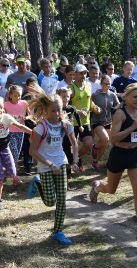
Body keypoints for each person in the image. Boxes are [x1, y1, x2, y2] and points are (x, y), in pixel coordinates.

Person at [88, 83, 137, 241]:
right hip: (119, 154)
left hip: (134, 154)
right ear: (126, 96)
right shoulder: (120, 113)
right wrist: (132, 127)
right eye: (135, 96)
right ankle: (98, 187)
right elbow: (113, 138)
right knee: (111, 189)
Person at [28, 88, 81, 245]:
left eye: (59, 109)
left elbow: (74, 143)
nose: (57, 113)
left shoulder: (65, 125)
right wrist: (49, 164)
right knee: (50, 202)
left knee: (62, 200)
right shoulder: (41, 127)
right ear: (45, 110)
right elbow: (32, 151)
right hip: (45, 166)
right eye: (53, 110)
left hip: (61, 163)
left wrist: (75, 160)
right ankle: (37, 182)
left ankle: (58, 231)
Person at [0, 97, 33, 209]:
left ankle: (8, 177)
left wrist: (33, 133)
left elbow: (20, 126)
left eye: (1, 108)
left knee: (13, 173)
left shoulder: (6, 117)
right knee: (0, 173)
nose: (0, 110)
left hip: (4, 147)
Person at [70, 64, 97, 171]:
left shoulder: (88, 85)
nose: (83, 75)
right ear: (75, 74)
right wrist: (77, 111)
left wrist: (95, 107)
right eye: (81, 73)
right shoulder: (71, 88)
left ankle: (76, 158)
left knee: (89, 144)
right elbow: (65, 105)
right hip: (72, 122)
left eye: (85, 73)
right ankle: (71, 165)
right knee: (72, 146)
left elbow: (89, 101)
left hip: (85, 121)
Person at [90, 75, 120, 169]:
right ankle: (95, 147)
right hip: (97, 121)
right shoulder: (95, 95)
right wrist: (95, 109)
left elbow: (117, 105)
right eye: (105, 84)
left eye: (109, 84)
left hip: (108, 121)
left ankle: (95, 161)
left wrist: (122, 104)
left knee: (105, 143)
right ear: (101, 84)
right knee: (105, 138)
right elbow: (89, 106)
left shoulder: (112, 94)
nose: (107, 85)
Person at [4, 85, 29, 172]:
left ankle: (11, 167)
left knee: (17, 151)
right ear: (10, 95)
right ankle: (15, 168)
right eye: (15, 95)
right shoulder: (6, 105)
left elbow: (29, 115)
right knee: (14, 150)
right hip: (10, 131)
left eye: (19, 95)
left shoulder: (24, 103)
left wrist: (26, 117)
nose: (18, 97)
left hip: (21, 131)